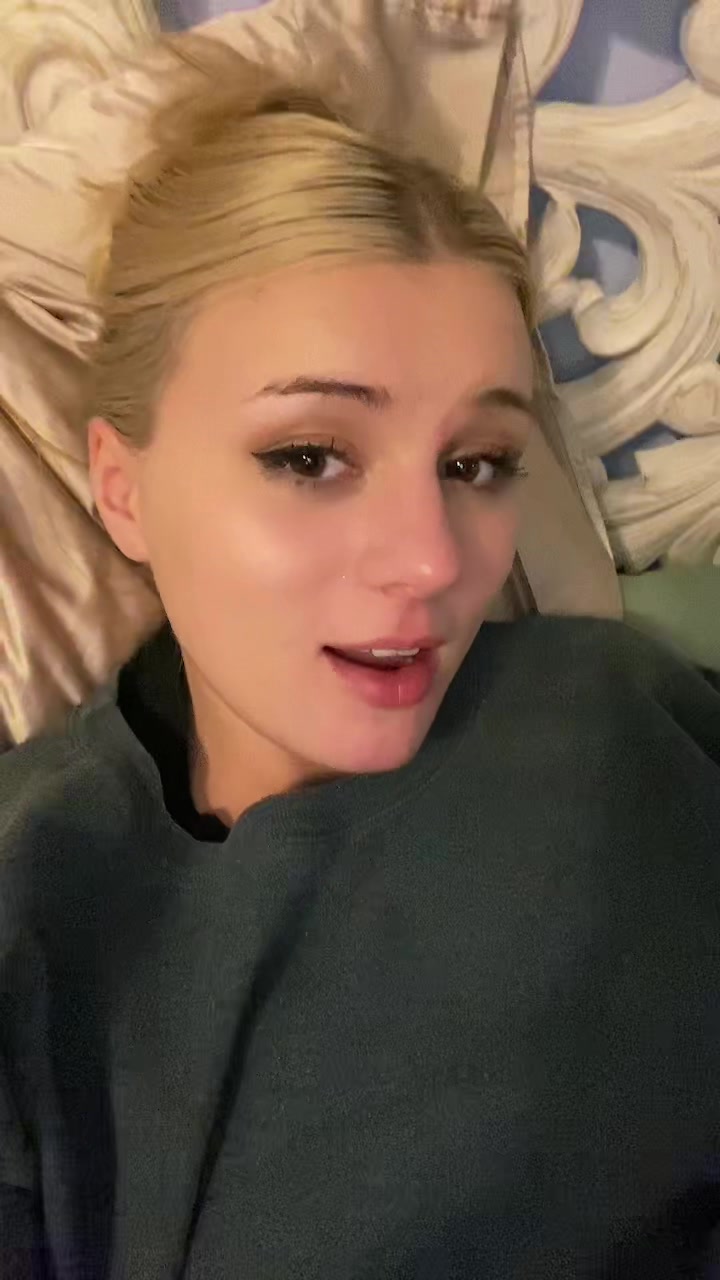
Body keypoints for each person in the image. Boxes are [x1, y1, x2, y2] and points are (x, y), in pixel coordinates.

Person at [1, 32, 719, 1280]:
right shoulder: (33, 889)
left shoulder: (614, 719)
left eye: (477, 463)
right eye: (310, 455)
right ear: (122, 487)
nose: (433, 561)